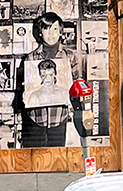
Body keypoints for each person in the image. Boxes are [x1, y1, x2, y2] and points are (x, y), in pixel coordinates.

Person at [15, 12, 80, 148]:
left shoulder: (70, 57)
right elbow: (22, 90)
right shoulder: (30, 59)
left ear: (61, 32)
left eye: (55, 29)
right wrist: (24, 92)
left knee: (58, 160)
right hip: (35, 119)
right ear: (40, 32)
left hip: (60, 118)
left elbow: (78, 83)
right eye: (46, 28)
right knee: (36, 160)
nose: (51, 33)